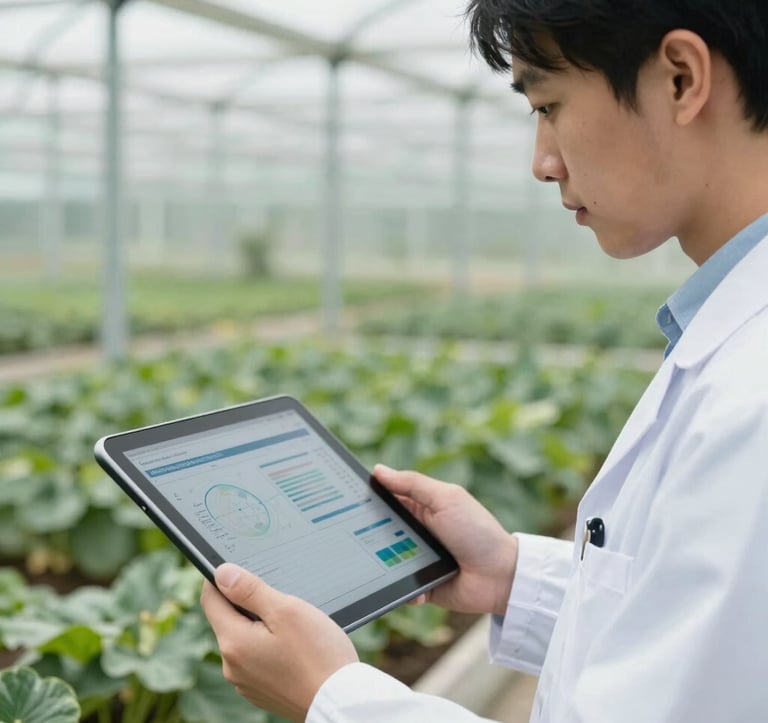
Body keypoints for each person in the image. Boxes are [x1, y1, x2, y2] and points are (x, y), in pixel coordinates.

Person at [200, 1, 768, 720]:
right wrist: (512, 577)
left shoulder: (753, 400)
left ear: (681, 79)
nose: (542, 161)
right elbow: (702, 635)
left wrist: (331, 696)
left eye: (549, 104)